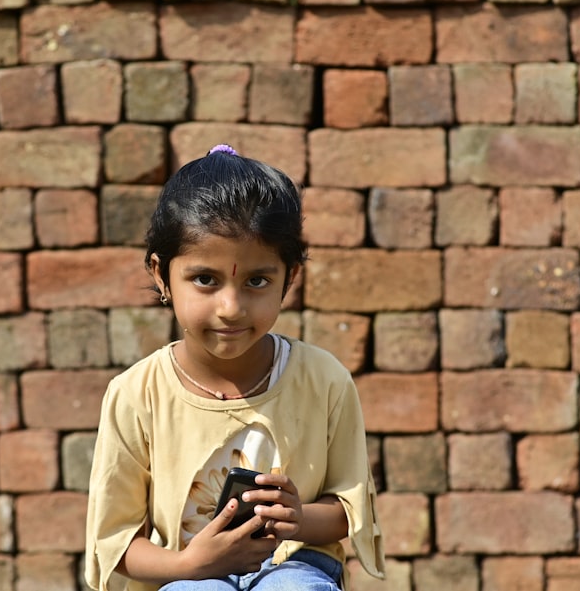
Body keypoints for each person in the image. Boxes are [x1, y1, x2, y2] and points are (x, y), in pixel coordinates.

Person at [85, 144, 385, 591]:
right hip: (182, 578)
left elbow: (349, 511)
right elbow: (117, 544)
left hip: (296, 569)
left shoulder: (324, 381)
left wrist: (297, 519)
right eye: (205, 279)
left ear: (290, 278)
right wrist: (191, 564)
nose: (231, 307)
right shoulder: (137, 394)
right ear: (161, 275)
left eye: (257, 281)